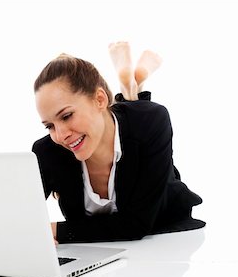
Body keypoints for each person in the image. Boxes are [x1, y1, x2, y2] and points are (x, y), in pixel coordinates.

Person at [32, 42, 205, 244]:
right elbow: (18, 219)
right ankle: (131, 87)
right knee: (133, 116)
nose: (60, 135)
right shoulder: (47, 151)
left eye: (67, 116)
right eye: (49, 126)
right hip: (99, 255)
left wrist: (57, 231)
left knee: (141, 116)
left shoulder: (154, 120)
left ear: (99, 99)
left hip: (165, 235)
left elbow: (136, 224)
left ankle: (132, 91)